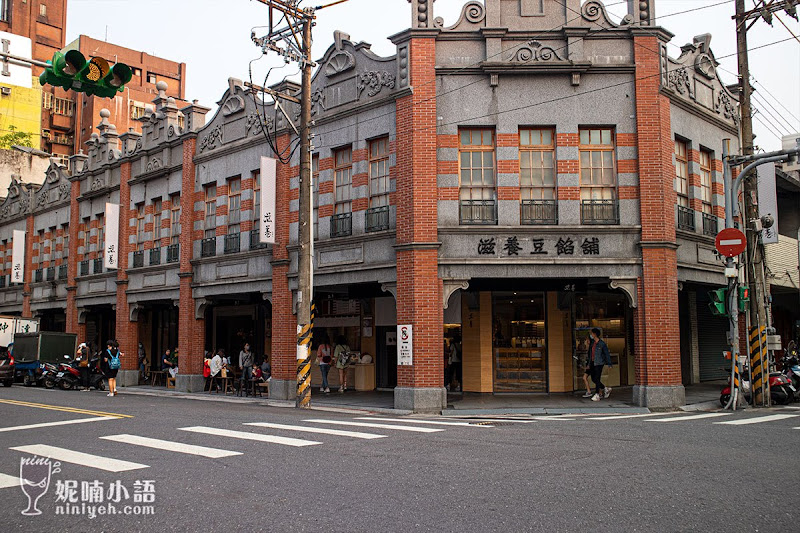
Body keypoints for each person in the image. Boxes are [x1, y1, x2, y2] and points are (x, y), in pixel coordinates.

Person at [587, 328, 612, 401]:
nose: (591, 335)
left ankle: (597, 394)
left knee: (597, 378)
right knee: (593, 378)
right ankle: (605, 388)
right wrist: (588, 364)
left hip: (599, 363)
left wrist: (609, 363)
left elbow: (606, 354)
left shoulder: (602, 344)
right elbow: (590, 354)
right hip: (592, 362)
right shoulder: (592, 343)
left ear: (595, 334)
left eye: (592, 333)